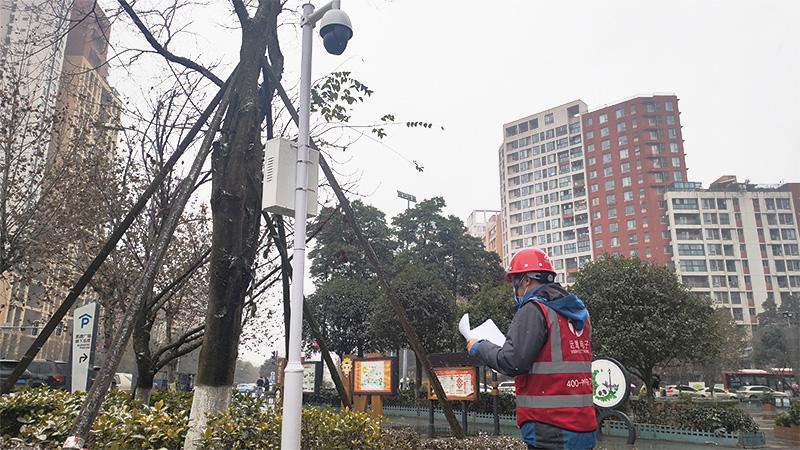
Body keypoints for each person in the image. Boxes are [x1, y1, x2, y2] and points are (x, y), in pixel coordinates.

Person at [466, 247, 596, 449]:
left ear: (526, 280)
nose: (515, 292)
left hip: (550, 428)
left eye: (515, 284)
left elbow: (512, 361)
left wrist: (479, 347)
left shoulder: (534, 309)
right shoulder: (578, 313)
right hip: (583, 425)